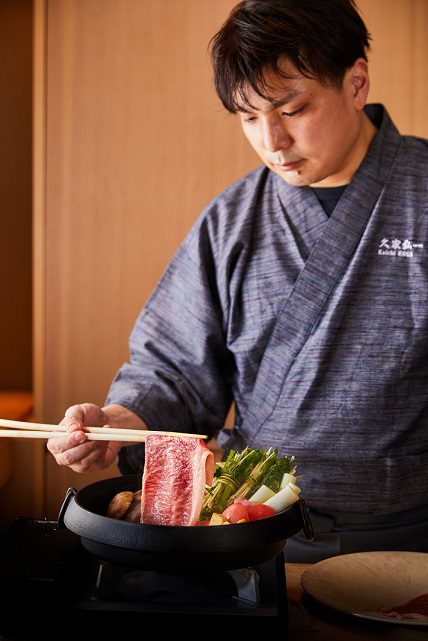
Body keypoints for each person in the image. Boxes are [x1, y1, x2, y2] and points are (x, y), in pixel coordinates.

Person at [47, 0, 428, 562]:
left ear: (356, 82)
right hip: (255, 532)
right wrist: (118, 425)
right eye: (249, 118)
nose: (271, 141)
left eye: (292, 109)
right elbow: (174, 372)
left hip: (411, 539)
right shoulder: (232, 222)